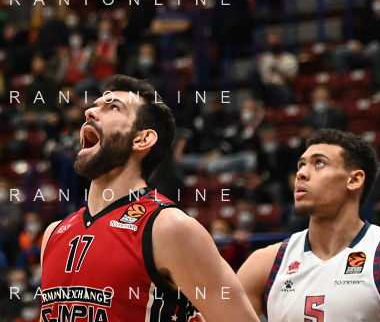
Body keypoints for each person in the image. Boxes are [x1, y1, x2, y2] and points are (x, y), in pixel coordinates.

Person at [38, 75, 260, 322]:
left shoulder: (169, 228)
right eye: (94, 106)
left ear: (142, 139)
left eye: (113, 108)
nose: (89, 112)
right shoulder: (53, 234)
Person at [237, 130, 380, 320]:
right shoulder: (264, 264)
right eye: (301, 165)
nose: (301, 174)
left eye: (319, 163)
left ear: (354, 180)